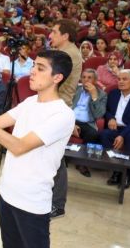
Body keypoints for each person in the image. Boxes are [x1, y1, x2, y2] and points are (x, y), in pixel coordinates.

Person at [0, 50, 75, 248]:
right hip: (7, 192)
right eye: (33, 66)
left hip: (32, 201)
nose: (32, 71)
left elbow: (18, 146)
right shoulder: (29, 102)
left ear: (57, 77)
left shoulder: (62, 114)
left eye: (40, 68)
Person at [47, 19, 82, 219]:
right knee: (49, 154)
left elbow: (53, 80)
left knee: (56, 156)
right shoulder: (64, 52)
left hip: (58, 107)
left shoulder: (70, 55)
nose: (50, 35)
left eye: (54, 31)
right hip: (54, 105)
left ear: (65, 35)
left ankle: (58, 204)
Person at [70, 69, 107, 177]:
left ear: (95, 80)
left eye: (89, 78)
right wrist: (71, 124)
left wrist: (94, 96)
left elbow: (99, 115)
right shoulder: (75, 89)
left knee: (93, 134)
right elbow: (65, 105)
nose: (86, 80)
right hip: (69, 119)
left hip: (86, 123)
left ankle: (81, 163)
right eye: (84, 77)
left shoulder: (102, 94)